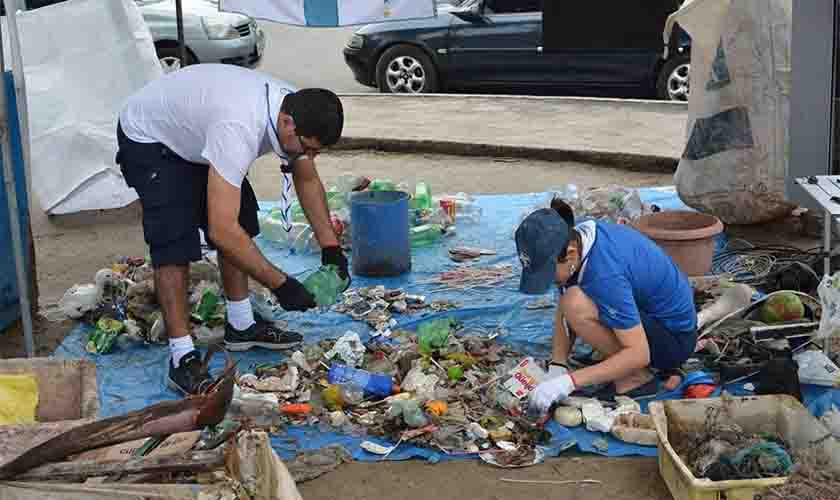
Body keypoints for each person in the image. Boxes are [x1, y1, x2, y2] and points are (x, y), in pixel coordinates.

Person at [116, 64, 350, 395]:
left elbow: (307, 177)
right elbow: (221, 231)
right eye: (307, 148)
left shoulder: (294, 109)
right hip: (151, 137)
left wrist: (331, 249)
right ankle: (181, 357)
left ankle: (241, 326)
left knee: (241, 219)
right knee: (174, 243)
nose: (309, 156)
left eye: (316, 151)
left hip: (198, 132)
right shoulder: (239, 127)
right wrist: (281, 285)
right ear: (287, 124)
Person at [516, 199, 697, 415]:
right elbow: (563, 302)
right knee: (571, 298)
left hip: (673, 340)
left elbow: (639, 354)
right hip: (647, 317)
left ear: (571, 254)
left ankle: (635, 379)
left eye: (548, 272)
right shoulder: (579, 239)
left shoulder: (605, 274)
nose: (548, 281)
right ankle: (620, 364)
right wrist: (558, 365)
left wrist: (568, 383)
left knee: (576, 303)